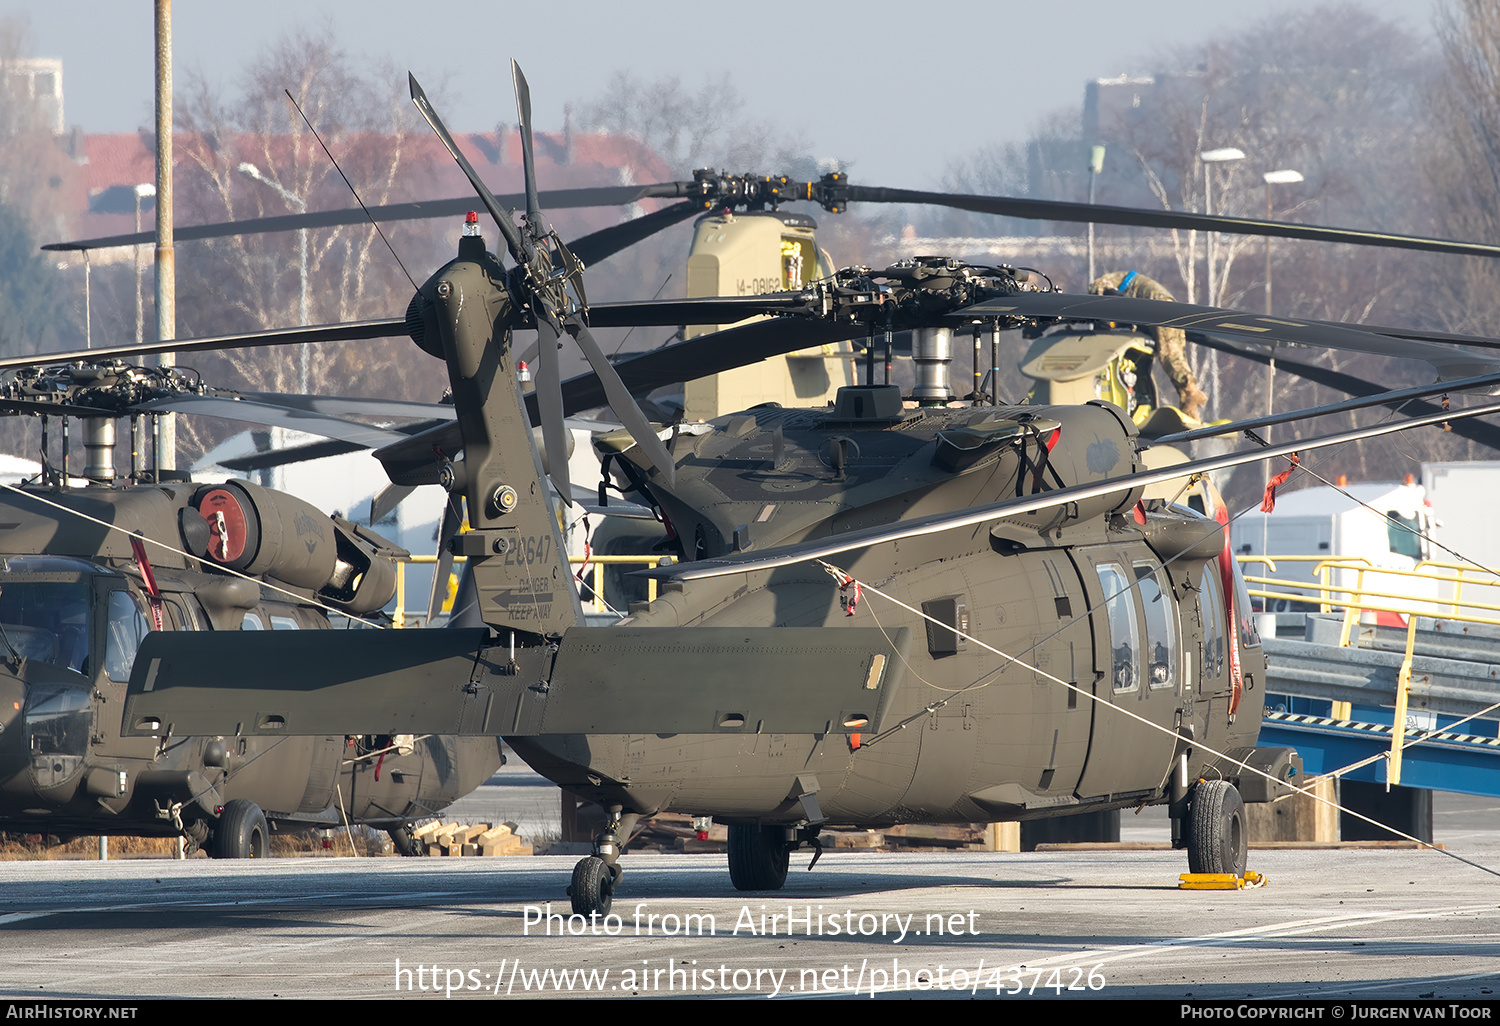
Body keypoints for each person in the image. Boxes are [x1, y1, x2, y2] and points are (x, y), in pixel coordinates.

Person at [1088, 270, 1209, 419]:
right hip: (1161, 307)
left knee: (1171, 356)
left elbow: (1106, 294)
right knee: (1175, 354)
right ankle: (1189, 403)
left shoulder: (1100, 285)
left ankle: (1191, 391)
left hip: (1160, 309)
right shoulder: (1123, 283)